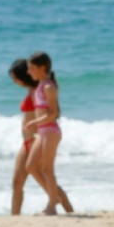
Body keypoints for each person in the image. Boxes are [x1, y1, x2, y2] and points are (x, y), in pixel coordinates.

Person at [24, 51, 73, 215]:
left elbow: (54, 113)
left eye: (31, 68)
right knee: (30, 166)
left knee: (47, 169)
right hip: (42, 132)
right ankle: (54, 198)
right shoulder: (40, 85)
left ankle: (51, 206)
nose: (28, 72)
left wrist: (34, 122)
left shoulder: (48, 86)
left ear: (42, 68)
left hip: (50, 131)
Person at [8, 59, 40, 216]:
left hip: (35, 142)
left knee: (47, 182)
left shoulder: (37, 92)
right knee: (17, 182)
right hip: (26, 142)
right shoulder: (30, 91)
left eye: (15, 78)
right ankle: (14, 217)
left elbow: (46, 116)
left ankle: (68, 209)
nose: (14, 82)